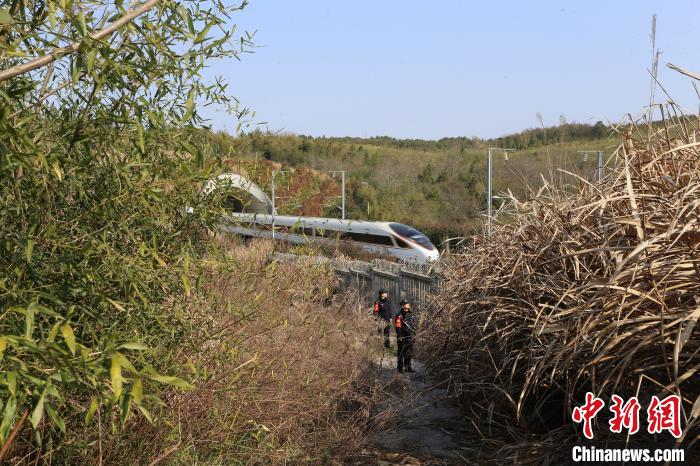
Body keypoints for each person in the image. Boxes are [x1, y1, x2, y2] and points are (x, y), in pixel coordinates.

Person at [395, 299, 416, 373]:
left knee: (408, 353)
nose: (408, 304)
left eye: (408, 303)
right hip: (402, 337)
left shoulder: (411, 314)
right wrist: (399, 336)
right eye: (406, 304)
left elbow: (413, 325)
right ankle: (399, 369)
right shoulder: (399, 315)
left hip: (410, 336)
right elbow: (398, 327)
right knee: (401, 353)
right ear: (403, 306)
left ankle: (408, 368)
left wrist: (414, 335)